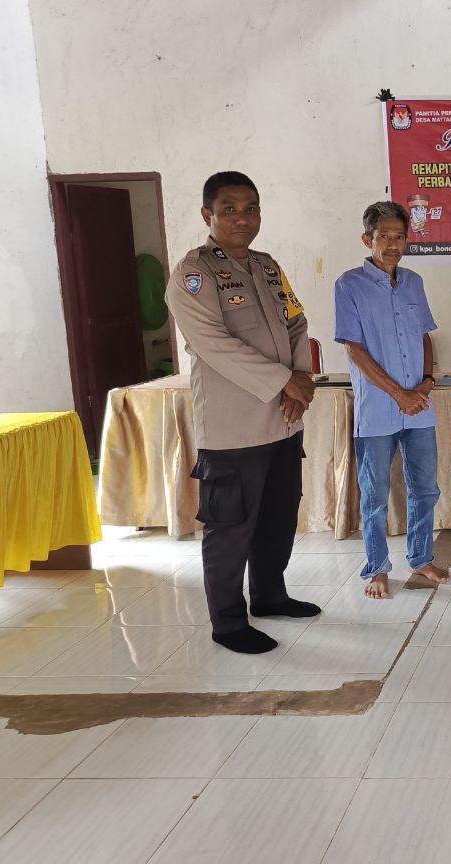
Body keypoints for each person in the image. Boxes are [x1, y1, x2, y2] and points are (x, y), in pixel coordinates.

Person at [166, 171, 319, 654]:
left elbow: (296, 322)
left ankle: (270, 596)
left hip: (283, 419)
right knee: (231, 528)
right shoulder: (194, 274)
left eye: (250, 208)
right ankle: (228, 623)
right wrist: (284, 381)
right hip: (233, 428)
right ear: (207, 215)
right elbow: (213, 344)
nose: (242, 218)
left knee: (277, 518)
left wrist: (300, 381)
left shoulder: (267, 266)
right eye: (229, 209)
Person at [335, 200, 449, 600]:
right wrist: (399, 393)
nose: (393, 244)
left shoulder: (414, 281)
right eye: (384, 236)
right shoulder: (349, 285)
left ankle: (420, 558)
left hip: (419, 407)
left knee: (426, 489)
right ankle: (378, 569)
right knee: (375, 495)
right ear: (367, 239)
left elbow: (424, 336)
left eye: (400, 236)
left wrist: (426, 384)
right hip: (378, 409)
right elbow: (354, 349)